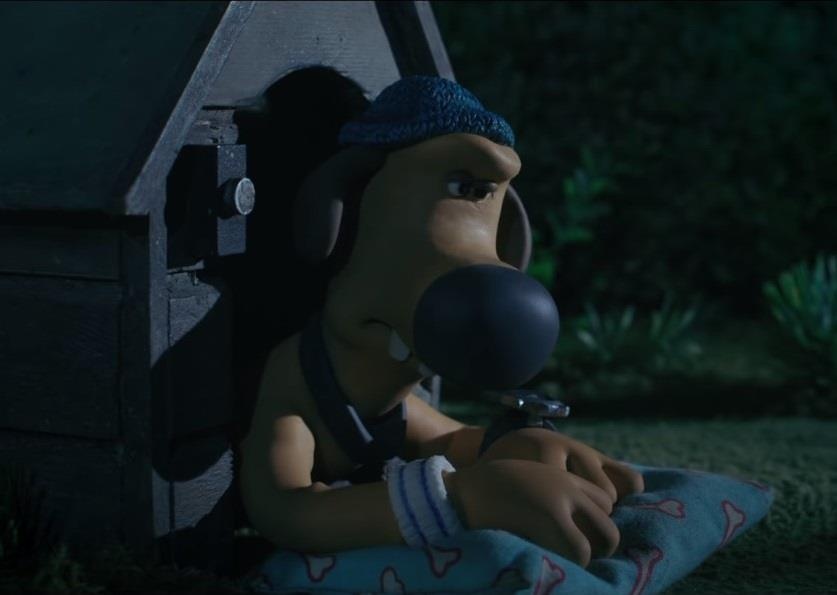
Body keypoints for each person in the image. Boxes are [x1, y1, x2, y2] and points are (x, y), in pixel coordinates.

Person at [239, 76, 644, 568]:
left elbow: (443, 439)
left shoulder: (386, 392)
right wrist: (462, 499)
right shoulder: (297, 388)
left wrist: (509, 445)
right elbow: (286, 510)